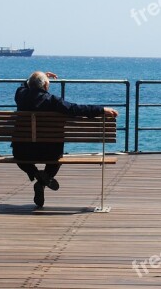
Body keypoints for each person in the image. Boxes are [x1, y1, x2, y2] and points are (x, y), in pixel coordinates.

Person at [14, 71, 118, 207]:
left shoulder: (20, 96)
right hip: (49, 153)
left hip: (23, 152)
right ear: (45, 85)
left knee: (19, 157)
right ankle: (42, 180)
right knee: (56, 158)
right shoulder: (53, 101)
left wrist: (34, 78)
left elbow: (23, 86)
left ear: (30, 84)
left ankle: (36, 174)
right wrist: (101, 109)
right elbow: (75, 109)